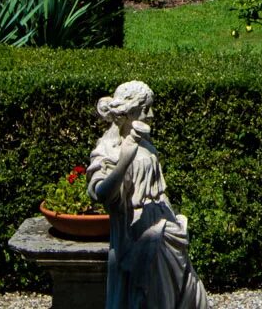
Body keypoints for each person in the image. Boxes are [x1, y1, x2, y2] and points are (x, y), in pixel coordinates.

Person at [88, 81, 211, 309]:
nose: (151, 114)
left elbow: (157, 189)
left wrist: (173, 218)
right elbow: (100, 194)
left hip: (165, 227)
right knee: (154, 297)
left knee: (192, 295)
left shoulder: (145, 143)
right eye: (145, 109)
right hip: (138, 233)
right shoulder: (109, 149)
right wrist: (124, 159)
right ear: (128, 112)